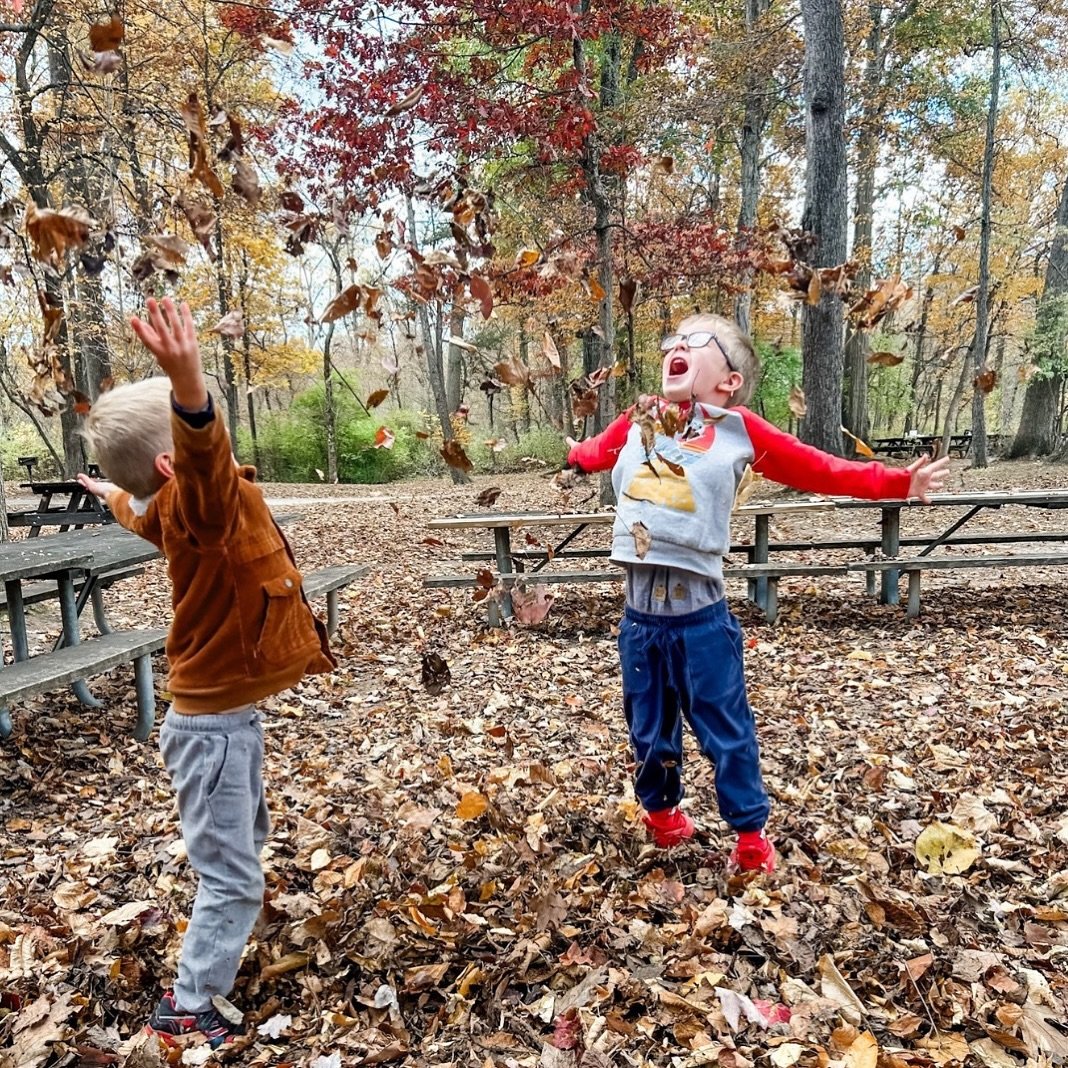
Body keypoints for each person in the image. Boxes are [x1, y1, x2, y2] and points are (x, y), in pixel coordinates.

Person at [565, 312, 949, 873]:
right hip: (639, 622)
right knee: (649, 731)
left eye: (697, 341)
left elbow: (820, 469)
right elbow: (601, 450)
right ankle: (663, 816)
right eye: (674, 339)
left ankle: (748, 835)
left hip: (701, 624)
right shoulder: (640, 417)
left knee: (725, 732)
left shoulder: (737, 428)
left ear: (728, 381)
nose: (679, 344)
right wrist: (576, 456)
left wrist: (897, 481)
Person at [78, 297, 336, 1046]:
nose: (216, 441)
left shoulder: (165, 509)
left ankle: (226, 925)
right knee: (230, 874)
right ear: (178, 466)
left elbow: (137, 508)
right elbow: (202, 461)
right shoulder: (203, 505)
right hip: (213, 730)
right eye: (204, 432)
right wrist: (189, 385)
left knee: (241, 841)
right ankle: (191, 1004)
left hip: (222, 723)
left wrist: (112, 493)